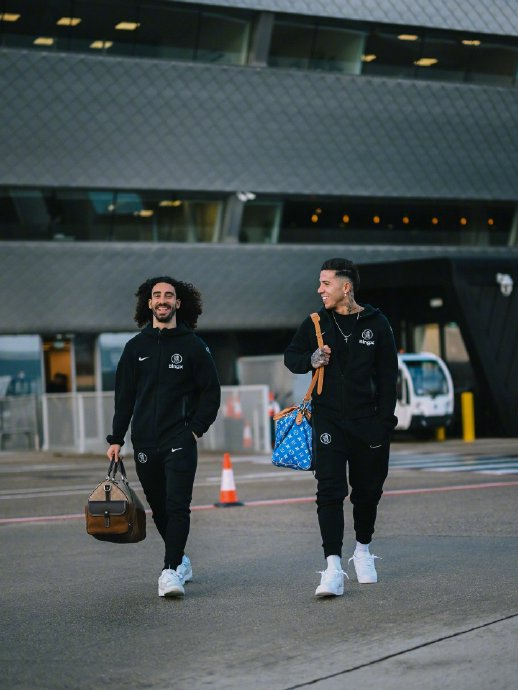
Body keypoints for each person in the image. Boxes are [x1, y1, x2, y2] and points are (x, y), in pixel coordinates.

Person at [284, 258, 398, 598]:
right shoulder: (315, 322)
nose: (319, 289)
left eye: (326, 283)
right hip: (328, 421)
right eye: (320, 283)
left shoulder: (377, 324)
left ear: (345, 287)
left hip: (368, 424)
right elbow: (291, 357)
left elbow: (388, 378)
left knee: (367, 492)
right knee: (329, 492)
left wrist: (384, 425)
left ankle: (362, 550)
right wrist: (311, 359)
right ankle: (332, 567)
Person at [106, 276, 221, 598]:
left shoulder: (193, 345)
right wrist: (116, 438)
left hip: (179, 440)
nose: (162, 300)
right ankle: (180, 559)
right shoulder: (135, 347)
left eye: (168, 295)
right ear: (149, 303)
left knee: (178, 505)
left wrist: (195, 429)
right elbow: (124, 398)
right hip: (144, 441)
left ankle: (169, 571)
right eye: (157, 295)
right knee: (159, 508)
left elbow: (211, 392)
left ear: (178, 303)